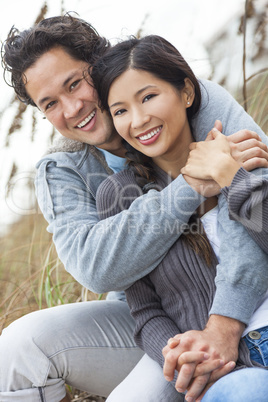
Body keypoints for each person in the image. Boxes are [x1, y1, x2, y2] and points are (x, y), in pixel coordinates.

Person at [0, 14, 268, 401]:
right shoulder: (65, 169)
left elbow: (250, 217)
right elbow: (96, 267)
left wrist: (222, 328)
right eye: (51, 104)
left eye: (74, 84)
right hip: (159, 325)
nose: (73, 108)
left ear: (99, 66)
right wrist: (191, 184)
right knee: (16, 348)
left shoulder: (193, 103)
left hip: (242, 304)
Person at [91, 34, 268, 401]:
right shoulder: (121, 195)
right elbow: (145, 311)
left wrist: (230, 176)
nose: (139, 120)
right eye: (121, 110)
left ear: (186, 93)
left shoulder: (234, 146)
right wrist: (181, 358)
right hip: (225, 367)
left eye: (148, 96)